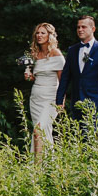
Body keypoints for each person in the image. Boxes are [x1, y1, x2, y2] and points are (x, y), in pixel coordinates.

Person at [56, 15, 98, 133]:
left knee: (88, 138)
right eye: (78, 27)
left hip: (94, 102)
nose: (80, 30)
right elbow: (65, 77)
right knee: (76, 137)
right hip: (76, 102)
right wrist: (59, 100)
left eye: (84, 27)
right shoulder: (72, 50)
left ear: (93, 29)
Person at [24, 22, 65, 150]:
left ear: (49, 36)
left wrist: (61, 100)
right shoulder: (35, 54)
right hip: (36, 98)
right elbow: (36, 76)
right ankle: (42, 166)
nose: (39, 35)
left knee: (39, 130)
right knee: (41, 133)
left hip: (50, 98)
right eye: (37, 33)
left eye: (43, 33)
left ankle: (40, 166)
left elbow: (62, 80)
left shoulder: (56, 54)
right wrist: (29, 75)